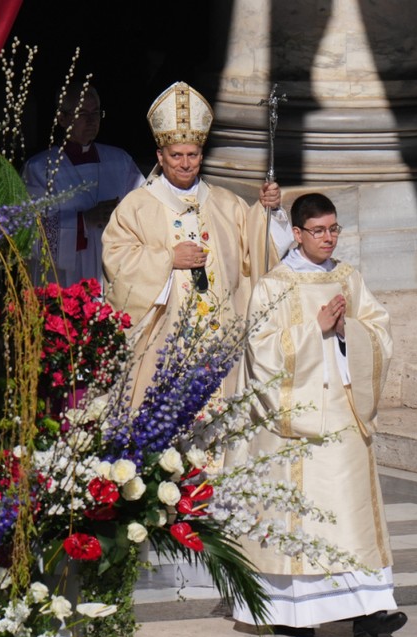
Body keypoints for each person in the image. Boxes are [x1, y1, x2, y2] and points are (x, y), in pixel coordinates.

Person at [229, 192, 406, 637]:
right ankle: (292, 611)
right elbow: (260, 351)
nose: (328, 238)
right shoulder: (273, 284)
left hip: (344, 413)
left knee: (350, 514)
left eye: (334, 229)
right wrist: (316, 329)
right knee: (299, 519)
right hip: (292, 419)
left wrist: (351, 330)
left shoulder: (349, 278)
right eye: (319, 231)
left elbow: (380, 332)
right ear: (297, 233)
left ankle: (370, 611)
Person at [101, 81, 293, 406]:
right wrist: (167, 259)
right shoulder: (136, 205)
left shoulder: (226, 203)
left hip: (220, 334)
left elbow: (258, 252)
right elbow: (116, 261)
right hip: (167, 336)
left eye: (192, 155)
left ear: (202, 156)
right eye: (176, 155)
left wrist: (268, 211)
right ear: (160, 157)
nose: (185, 163)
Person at [22, 85, 145, 288]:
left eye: (96, 112)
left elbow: (144, 211)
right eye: (82, 113)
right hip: (64, 282)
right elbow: (30, 232)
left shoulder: (119, 161)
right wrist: (83, 221)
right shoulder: (40, 168)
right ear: (62, 119)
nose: (91, 120)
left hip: (112, 273)